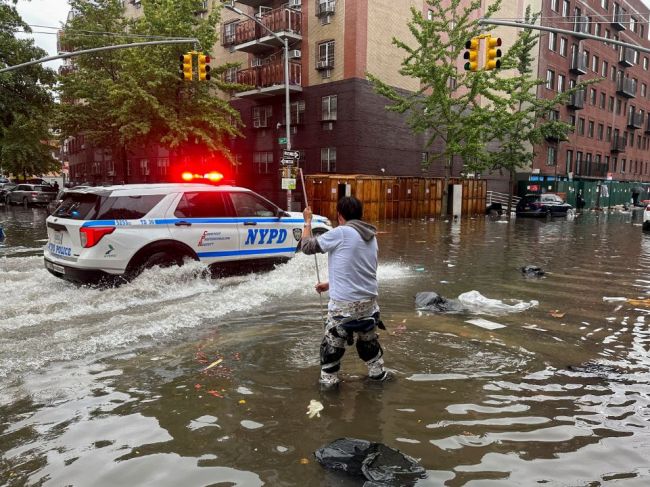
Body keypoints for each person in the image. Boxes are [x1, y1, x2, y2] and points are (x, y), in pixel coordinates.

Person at [301, 196, 388, 387]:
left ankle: (329, 390)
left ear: (340, 216)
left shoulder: (341, 232)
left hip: (344, 309)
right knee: (369, 347)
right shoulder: (371, 236)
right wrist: (330, 284)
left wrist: (307, 221)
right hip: (370, 306)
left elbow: (306, 247)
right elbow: (359, 270)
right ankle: (377, 376)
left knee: (331, 350)